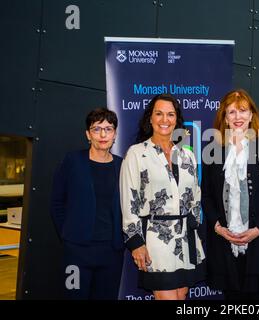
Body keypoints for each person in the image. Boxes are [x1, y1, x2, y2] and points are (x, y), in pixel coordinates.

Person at [202, 89, 259, 300]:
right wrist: (218, 228)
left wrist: (257, 229)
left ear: (251, 115)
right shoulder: (213, 150)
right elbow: (206, 195)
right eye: (231, 112)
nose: (237, 117)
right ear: (224, 117)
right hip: (225, 243)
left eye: (242, 111)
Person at [120, 93, 205, 300]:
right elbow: (128, 200)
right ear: (150, 118)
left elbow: (195, 196)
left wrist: (194, 223)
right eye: (159, 114)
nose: (164, 120)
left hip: (186, 240)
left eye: (170, 114)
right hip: (155, 241)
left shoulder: (187, 155)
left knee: (180, 296)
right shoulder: (137, 153)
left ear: (177, 120)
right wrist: (135, 242)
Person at [51, 108, 124, 299]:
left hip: (111, 254)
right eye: (96, 129)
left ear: (115, 134)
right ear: (87, 134)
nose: (102, 134)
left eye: (108, 129)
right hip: (76, 254)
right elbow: (57, 202)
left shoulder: (123, 165)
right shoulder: (72, 161)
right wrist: (68, 235)